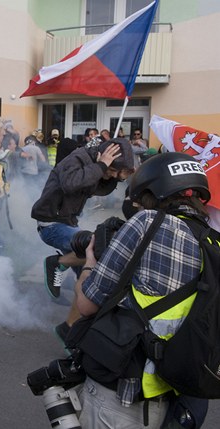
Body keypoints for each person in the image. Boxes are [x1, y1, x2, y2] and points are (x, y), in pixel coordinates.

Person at [72, 151, 211, 428]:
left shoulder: (148, 222)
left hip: (125, 393)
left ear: (153, 191)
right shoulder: (211, 242)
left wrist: (90, 261)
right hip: (179, 391)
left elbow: (87, 304)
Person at [32, 139, 135, 299]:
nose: (113, 174)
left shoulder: (94, 164)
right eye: (113, 169)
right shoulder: (77, 158)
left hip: (68, 223)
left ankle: (74, 316)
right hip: (51, 224)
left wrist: (119, 176)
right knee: (95, 248)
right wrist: (101, 166)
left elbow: (100, 189)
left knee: (88, 272)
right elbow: (70, 183)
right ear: (102, 156)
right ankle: (58, 263)